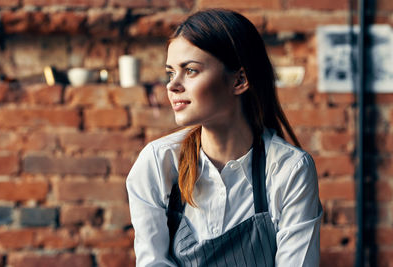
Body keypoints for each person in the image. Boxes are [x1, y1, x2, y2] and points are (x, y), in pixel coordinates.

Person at [126, 8, 322, 267]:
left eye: (191, 71)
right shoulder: (158, 163)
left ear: (240, 80)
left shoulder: (289, 170)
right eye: (170, 73)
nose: (172, 86)